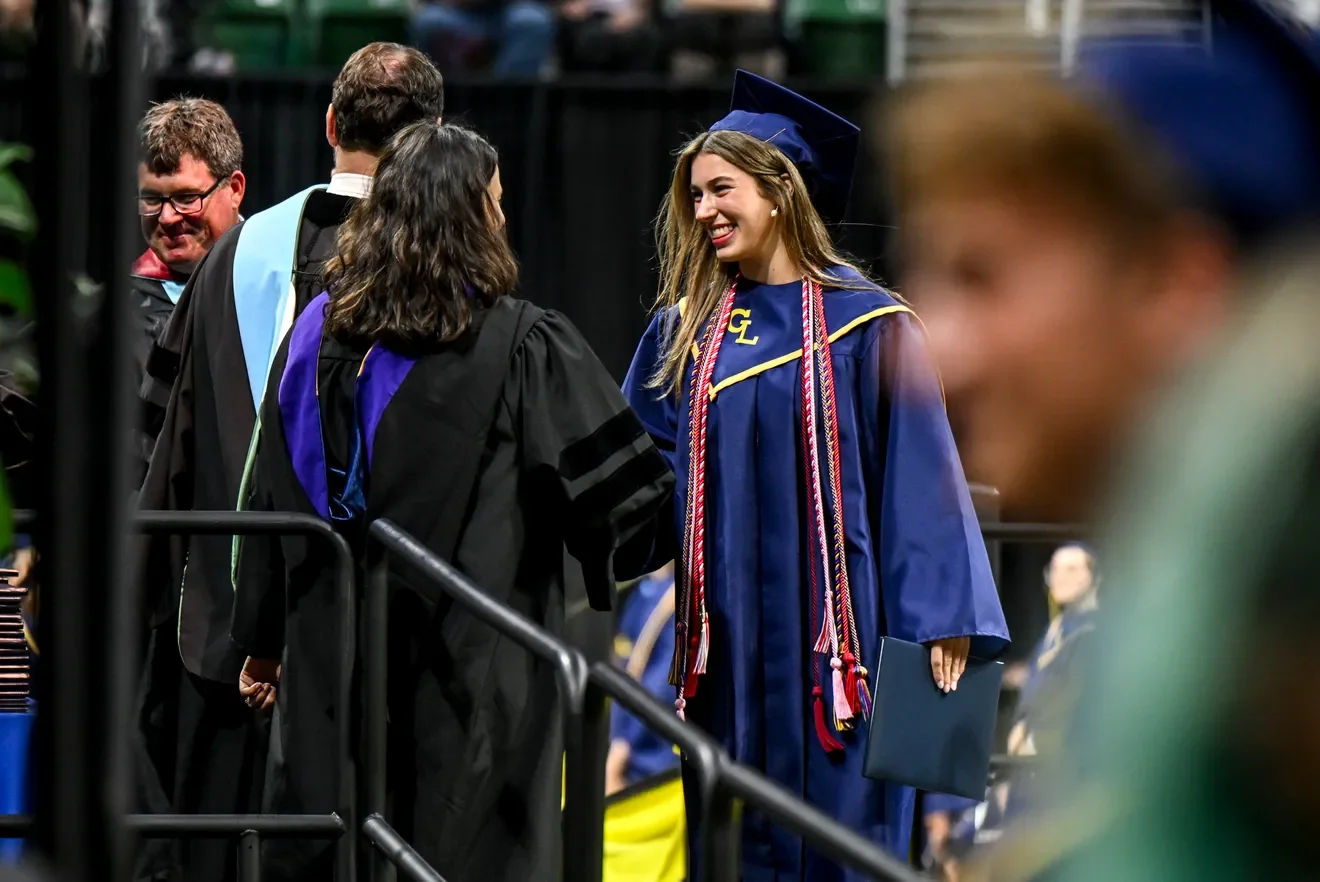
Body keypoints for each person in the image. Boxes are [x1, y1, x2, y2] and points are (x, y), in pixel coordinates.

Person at [882, 0, 1320, 877]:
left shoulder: (1287, 582)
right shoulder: (1182, 585)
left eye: (981, 276)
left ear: (1175, 284)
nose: (922, 358)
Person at [232, 121, 673, 882]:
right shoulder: (521, 346)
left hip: (327, 661)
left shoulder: (312, 336)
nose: (503, 217)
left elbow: (270, 496)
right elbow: (626, 510)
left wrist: (263, 638)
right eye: (494, 203)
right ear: (468, 218)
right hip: (468, 674)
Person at [619, 70, 1010, 880]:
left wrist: (945, 615)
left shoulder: (869, 325)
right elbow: (641, 471)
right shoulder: (684, 333)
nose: (703, 212)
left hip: (844, 659)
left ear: (778, 191)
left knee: (847, 846)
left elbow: (921, 478)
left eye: (720, 189)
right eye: (693, 196)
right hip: (724, 657)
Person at [133, 42, 444, 882]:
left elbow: (171, 438)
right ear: (436, 137)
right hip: (390, 633)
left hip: (223, 628)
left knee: (214, 848)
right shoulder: (452, 269)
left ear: (331, 123)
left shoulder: (240, 254)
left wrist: (151, 604)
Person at [132, 97, 245, 397]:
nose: (167, 217)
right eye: (152, 199)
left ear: (234, 190)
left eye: (186, 198)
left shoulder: (284, 284)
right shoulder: (112, 317)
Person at [606, 561, 680, 796]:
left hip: (652, 760)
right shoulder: (641, 593)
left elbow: (662, 686)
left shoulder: (678, 599)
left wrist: (624, 744)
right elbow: (623, 666)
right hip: (624, 742)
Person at [410, 0, 555, 76]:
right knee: (429, 22)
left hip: (509, 11)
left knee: (533, 22)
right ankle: (440, 100)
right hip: (456, 12)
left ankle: (509, 103)